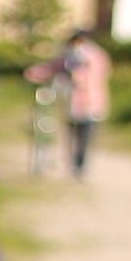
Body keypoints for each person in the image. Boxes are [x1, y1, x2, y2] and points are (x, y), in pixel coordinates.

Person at [25, 30, 111, 180]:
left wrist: (75, 74)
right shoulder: (68, 55)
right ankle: (72, 165)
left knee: (85, 137)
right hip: (71, 104)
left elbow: (95, 76)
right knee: (70, 137)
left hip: (91, 104)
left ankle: (80, 166)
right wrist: (36, 73)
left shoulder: (95, 55)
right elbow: (53, 67)